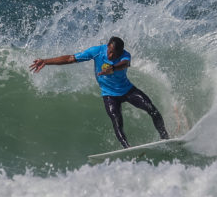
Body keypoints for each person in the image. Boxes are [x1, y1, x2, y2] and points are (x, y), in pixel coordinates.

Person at [30, 36, 169, 148]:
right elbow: (70, 58)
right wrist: (46, 61)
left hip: (127, 90)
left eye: (114, 54)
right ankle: (127, 148)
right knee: (116, 120)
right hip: (109, 95)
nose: (110, 55)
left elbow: (125, 64)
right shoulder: (97, 51)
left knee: (153, 110)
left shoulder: (125, 56)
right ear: (107, 46)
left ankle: (165, 138)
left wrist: (113, 68)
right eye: (109, 51)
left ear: (120, 52)